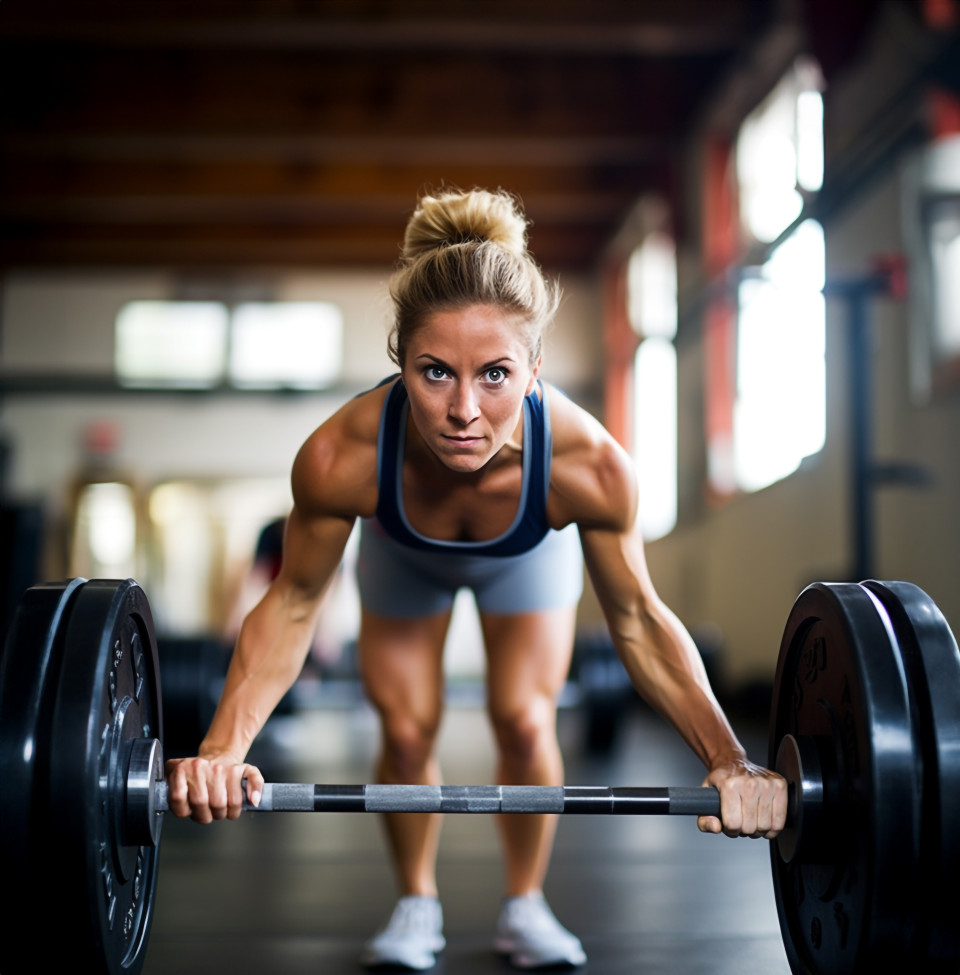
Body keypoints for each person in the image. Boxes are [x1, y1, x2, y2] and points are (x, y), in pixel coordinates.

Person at [165, 187, 788, 971]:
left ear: (534, 370)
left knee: (526, 721)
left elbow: (634, 618)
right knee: (405, 725)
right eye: (435, 372)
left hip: (526, 557)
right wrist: (223, 749)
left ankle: (525, 904)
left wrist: (731, 758)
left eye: (494, 374)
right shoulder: (341, 457)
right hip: (405, 554)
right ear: (399, 359)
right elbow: (292, 603)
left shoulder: (587, 467)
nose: (464, 409)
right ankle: (415, 902)